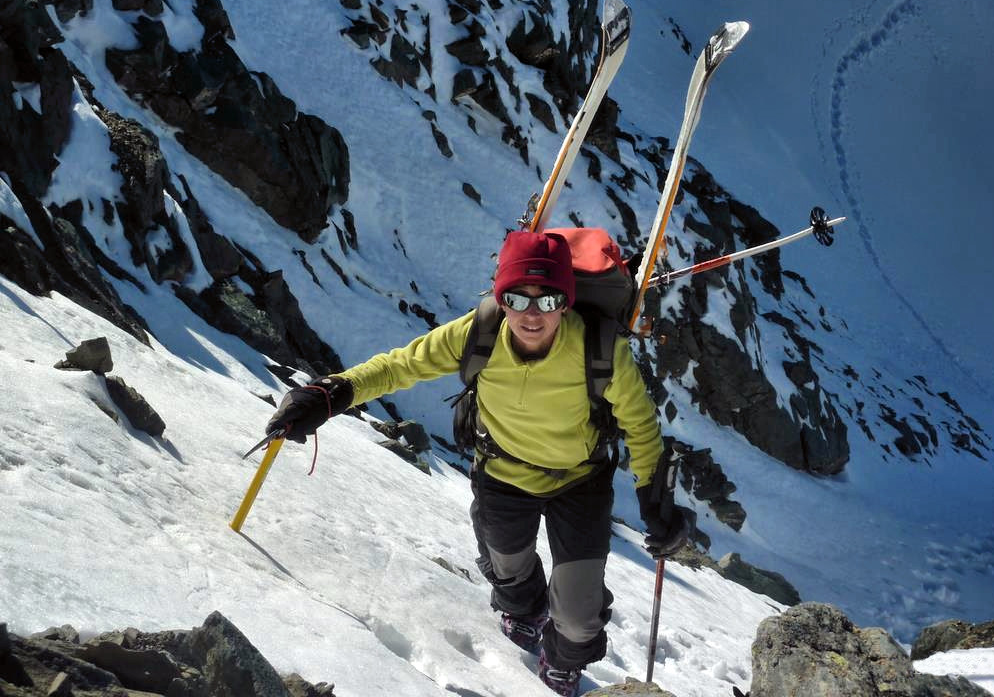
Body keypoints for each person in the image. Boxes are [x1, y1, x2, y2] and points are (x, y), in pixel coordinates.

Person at [265, 230, 694, 696]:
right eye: (517, 298)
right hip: (503, 475)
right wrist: (332, 394)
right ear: (500, 298)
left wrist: (655, 500)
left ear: (566, 302)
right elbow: (400, 366)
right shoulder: (479, 332)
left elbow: (641, 425)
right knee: (507, 569)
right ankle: (525, 611)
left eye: (548, 300)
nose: (532, 314)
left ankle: (564, 659)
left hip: (579, 482)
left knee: (578, 616)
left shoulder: (600, 350)